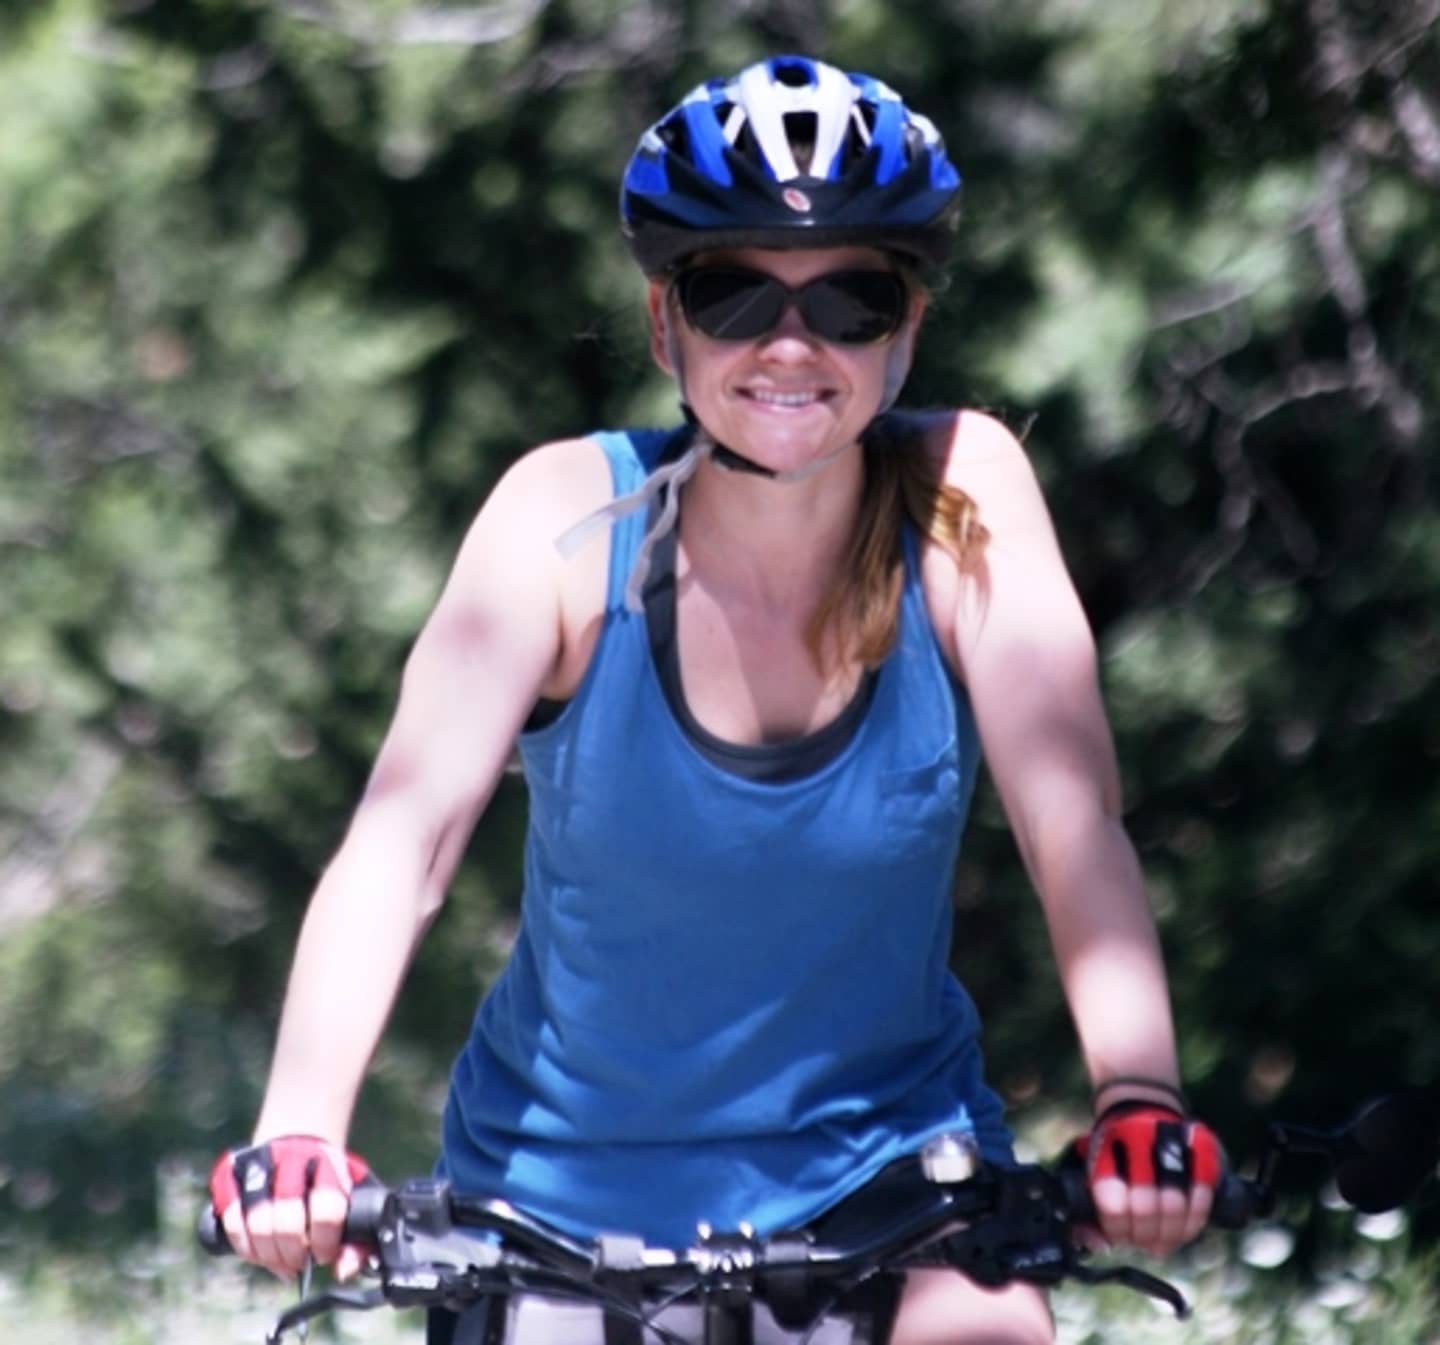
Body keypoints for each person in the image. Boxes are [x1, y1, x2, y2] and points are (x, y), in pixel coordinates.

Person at [209, 55, 1221, 1345]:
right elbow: (402, 842)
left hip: (896, 1190)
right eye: (733, 294)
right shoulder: (565, 520)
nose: (791, 345)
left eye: (851, 299)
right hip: (557, 1207)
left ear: (907, 327)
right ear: (662, 326)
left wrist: (1140, 1094)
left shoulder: (969, 497)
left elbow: (1073, 825)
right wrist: (299, 1127)